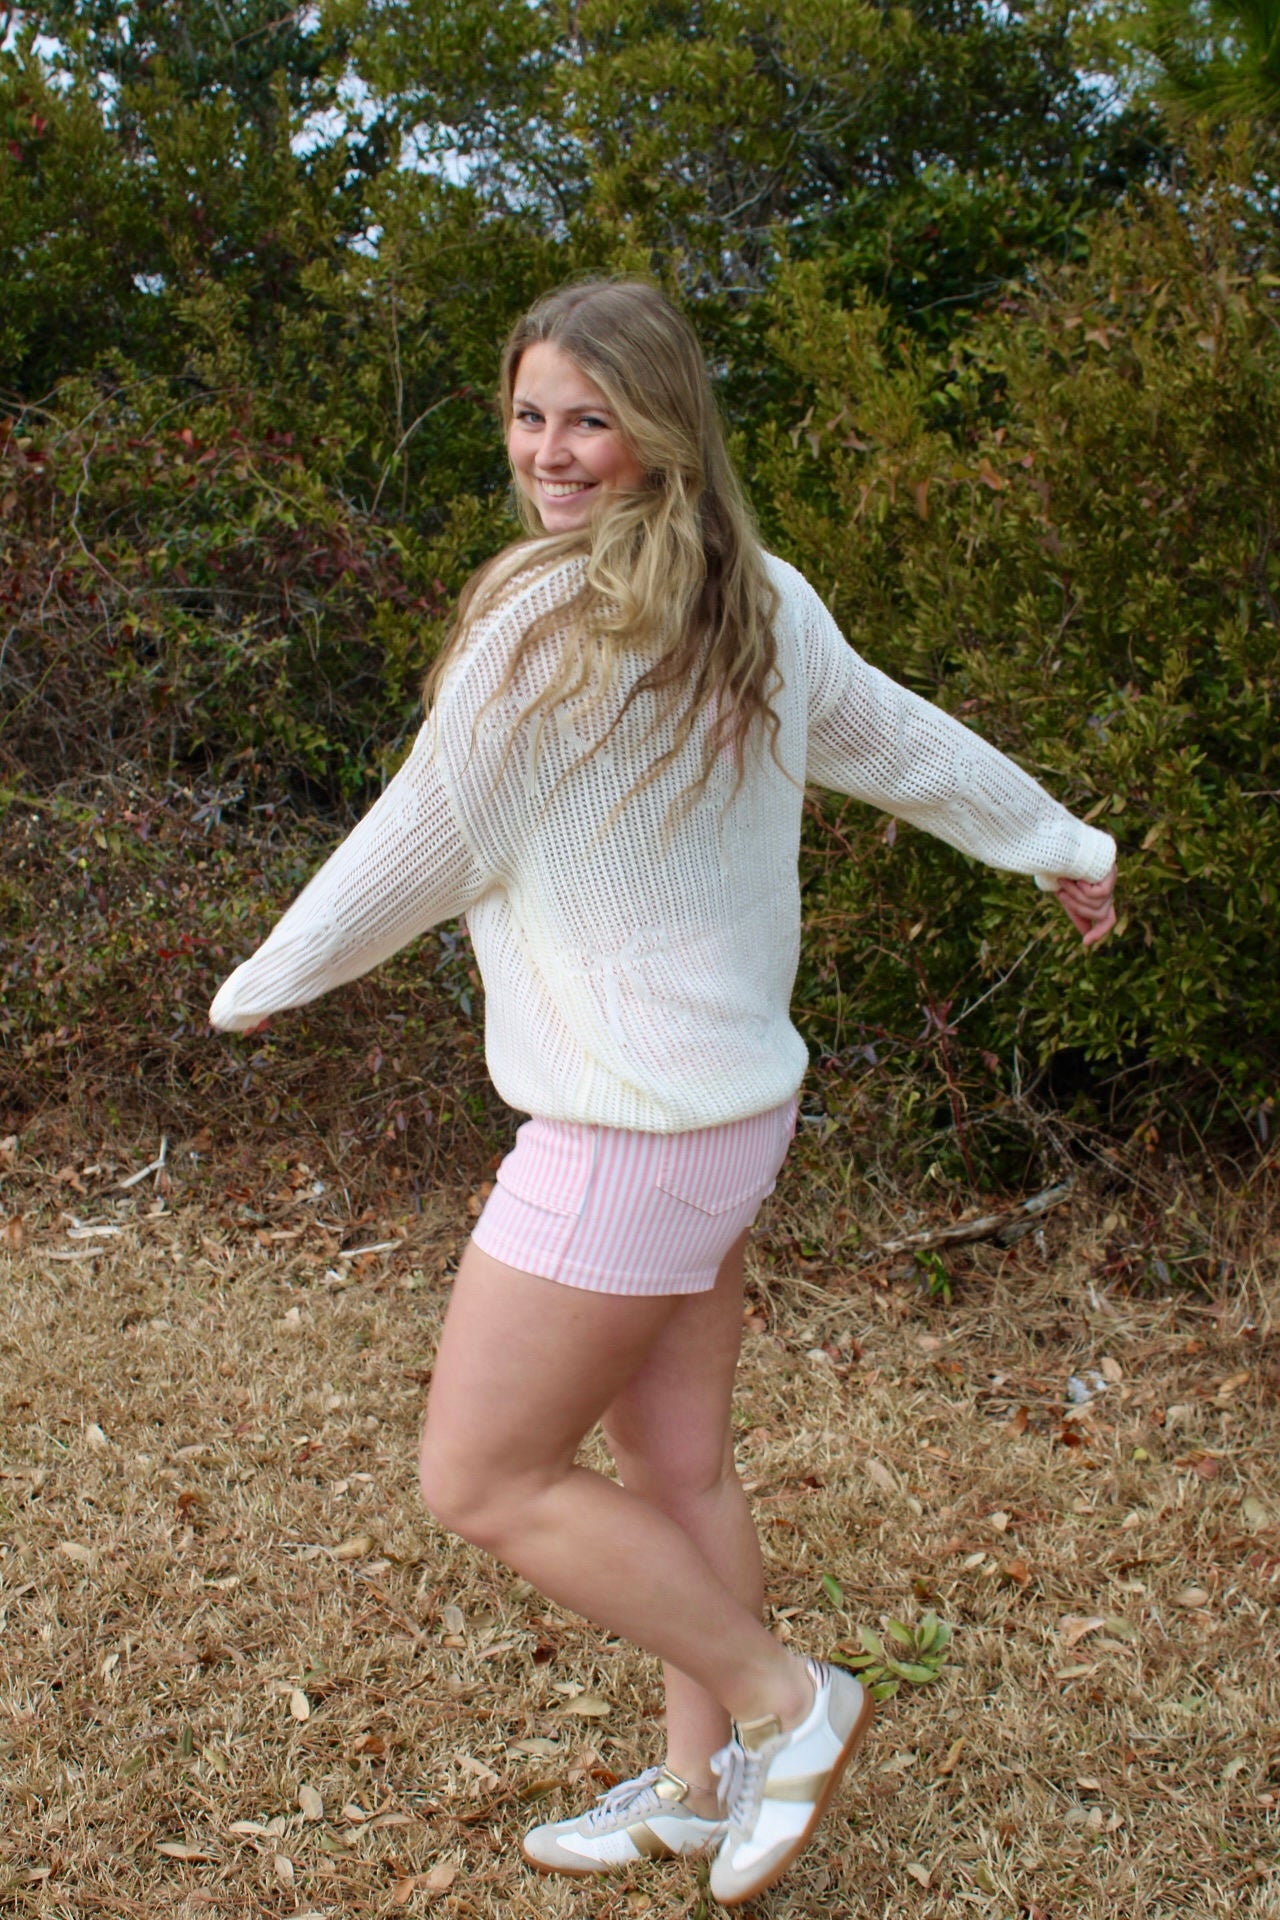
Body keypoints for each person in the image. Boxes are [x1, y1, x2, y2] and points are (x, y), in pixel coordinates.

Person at [209, 278, 1117, 1905]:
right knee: (677, 1468)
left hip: (626, 1132)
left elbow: (428, 832)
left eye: (592, 419)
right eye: (529, 415)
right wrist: (1055, 839)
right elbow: (903, 744)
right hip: (728, 1117)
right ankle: (697, 1796)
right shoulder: (759, 596)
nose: (552, 451)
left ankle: (789, 1702)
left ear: (662, 431)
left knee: (480, 1476)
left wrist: (271, 976)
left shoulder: (547, 623)